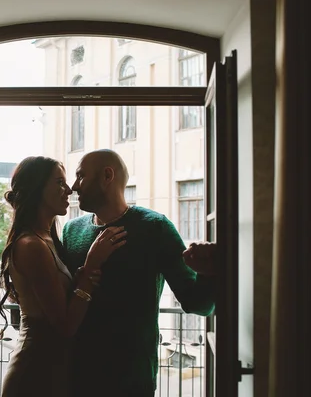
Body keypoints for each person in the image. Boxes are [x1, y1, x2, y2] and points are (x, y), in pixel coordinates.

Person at [61, 149, 218, 397]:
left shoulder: (155, 227)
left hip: (131, 380)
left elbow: (198, 304)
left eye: (81, 176)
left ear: (107, 175)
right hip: (74, 376)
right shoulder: (71, 231)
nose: (74, 186)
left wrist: (208, 273)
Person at [0, 156, 127, 397]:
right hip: (34, 373)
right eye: (59, 182)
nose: (69, 189)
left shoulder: (48, 240)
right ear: (37, 189)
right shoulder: (31, 245)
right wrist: (91, 267)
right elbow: (65, 326)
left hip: (53, 370)